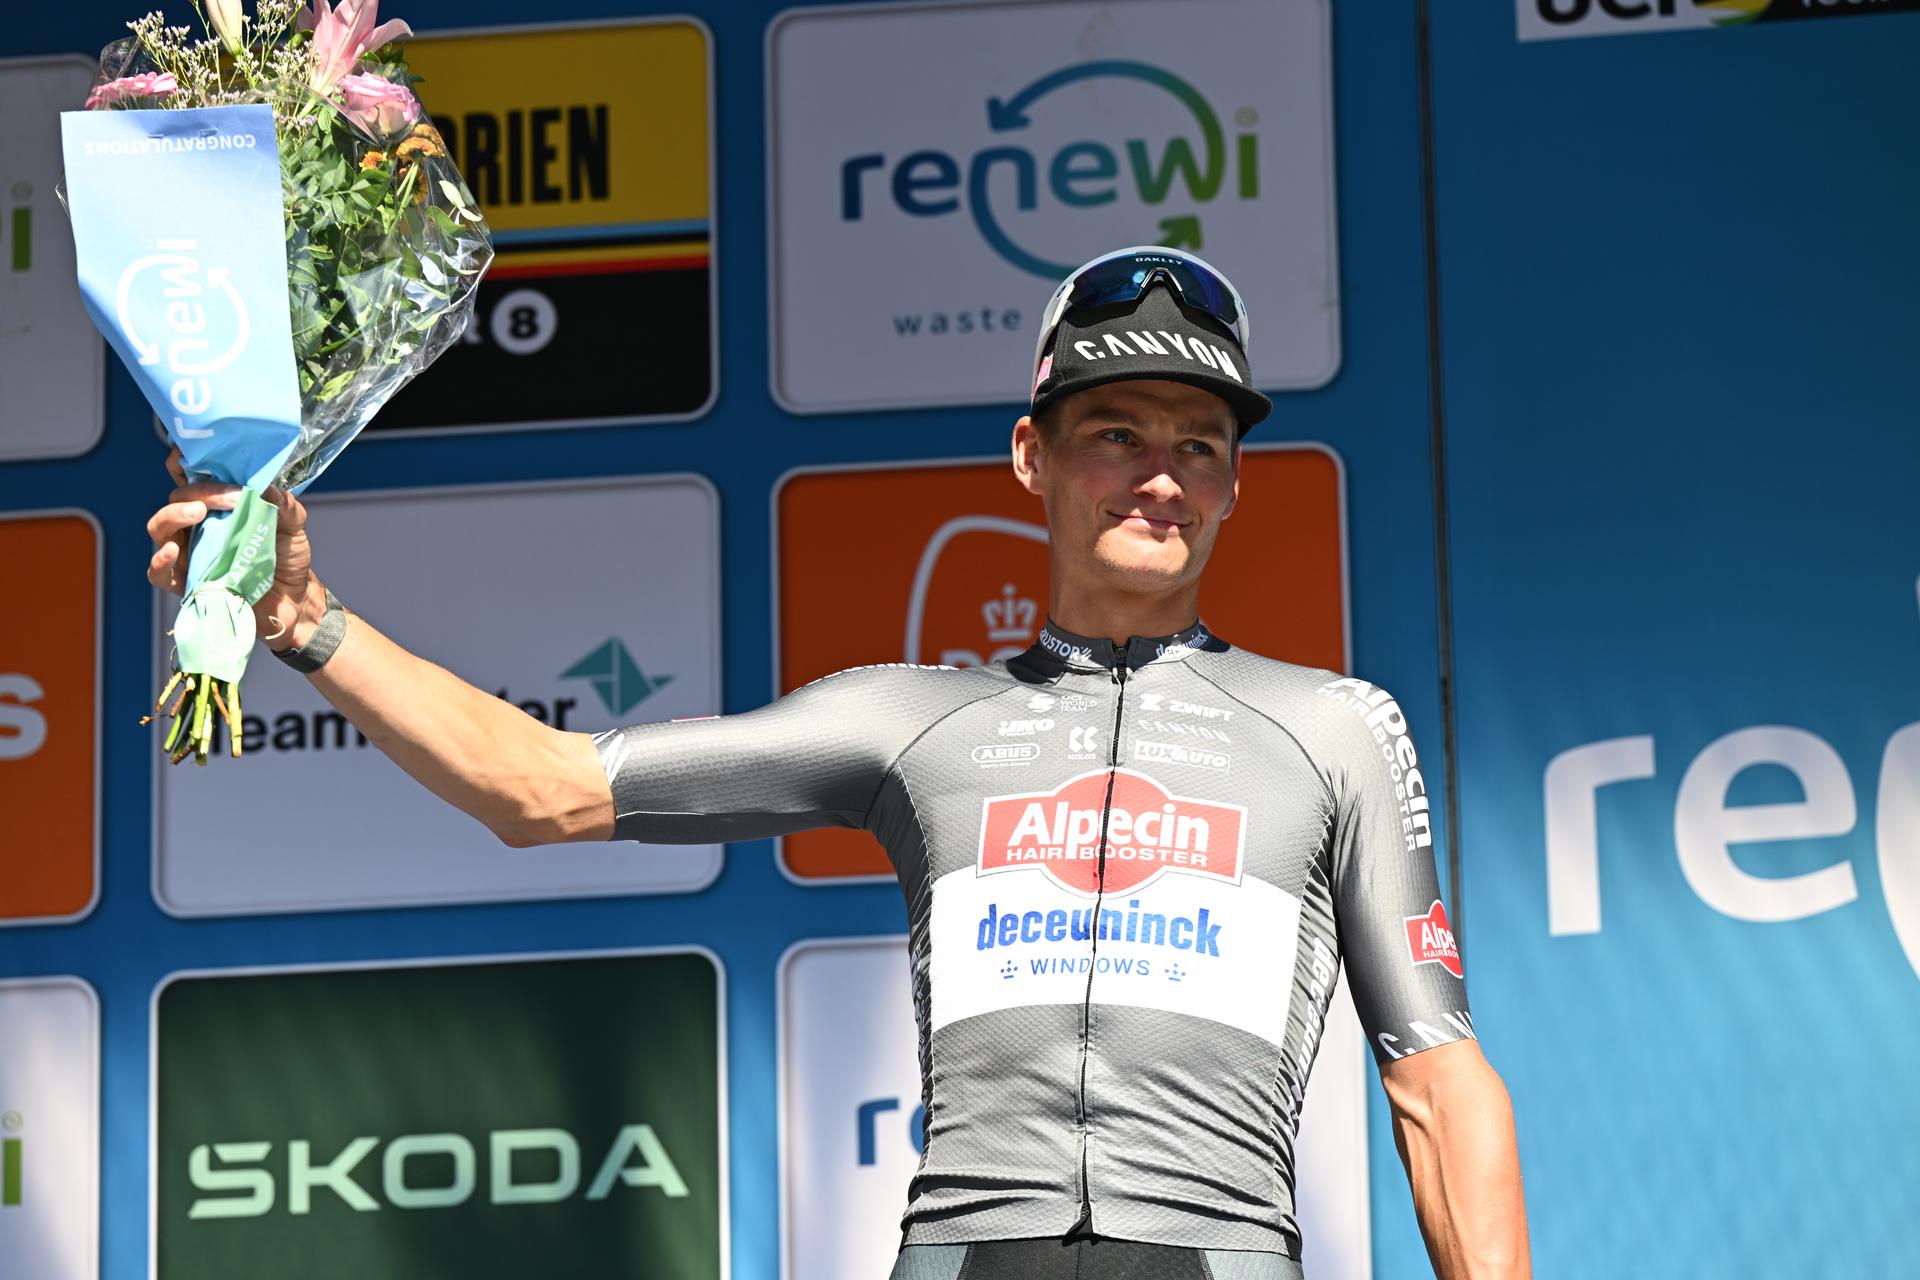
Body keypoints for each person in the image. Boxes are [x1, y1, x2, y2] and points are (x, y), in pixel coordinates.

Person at [148, 246, 1529, 1279]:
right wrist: (303, 624)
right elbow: (540, 786)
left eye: (1198, 447)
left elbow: (1437, 1079)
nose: (1158, 476)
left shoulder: (1336, 725)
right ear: (1029, 459)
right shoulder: (909, 720)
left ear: (1235, 486)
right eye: (1115, 435)